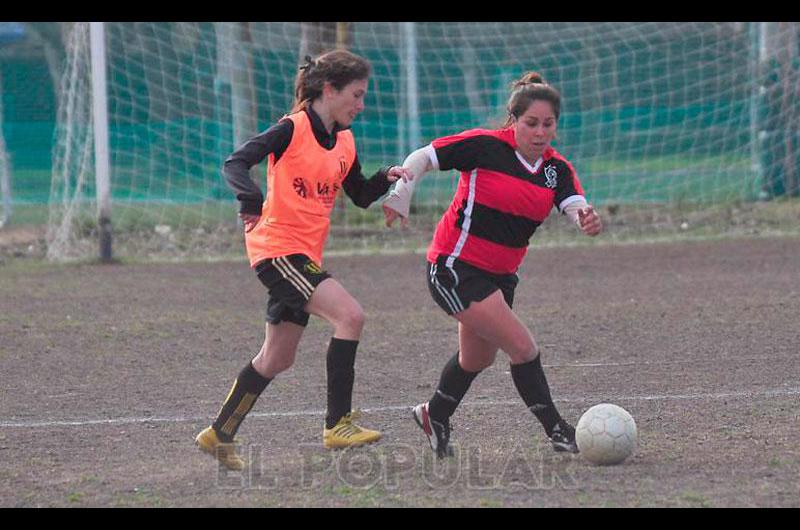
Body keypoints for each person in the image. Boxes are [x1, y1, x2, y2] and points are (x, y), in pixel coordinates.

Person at [195, 50, 412, 470]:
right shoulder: (291, 129)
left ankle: (219, 434)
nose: (361, 105)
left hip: (302, 254)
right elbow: (236, 162)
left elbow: (360, 196)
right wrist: (250, 197)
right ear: (329, 90)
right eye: (356, 94)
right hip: (277, 249)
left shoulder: (344, 139)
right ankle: (338, 424)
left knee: (277, 358)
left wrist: (386, 178)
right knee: (350, 316)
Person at [382, 71, 602, 458]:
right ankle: (558, 431)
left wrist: (586, 217)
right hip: (455, 268)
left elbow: (573, 204)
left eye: (547, 124)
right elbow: (423, 157)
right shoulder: (484, 146)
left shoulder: (556, 170)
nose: (539, 132)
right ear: (513, 120)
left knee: (478, 358)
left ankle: (436, 414)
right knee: (524, 348)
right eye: (530, 123)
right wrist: (402, 192)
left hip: (501, 278)